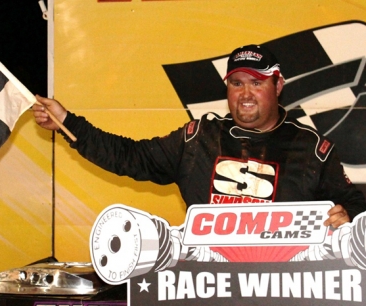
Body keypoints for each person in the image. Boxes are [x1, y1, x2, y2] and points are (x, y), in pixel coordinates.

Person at [32, 44, 366, 229]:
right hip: (208, 287)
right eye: (236, 83)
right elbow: (128, 156)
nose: (245, 94)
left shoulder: (312, 148)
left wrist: (348, 216)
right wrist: (67, 122)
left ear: (277, 86)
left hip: (282, 291)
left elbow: (354, 203)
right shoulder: (198, 138)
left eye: (257, 83)